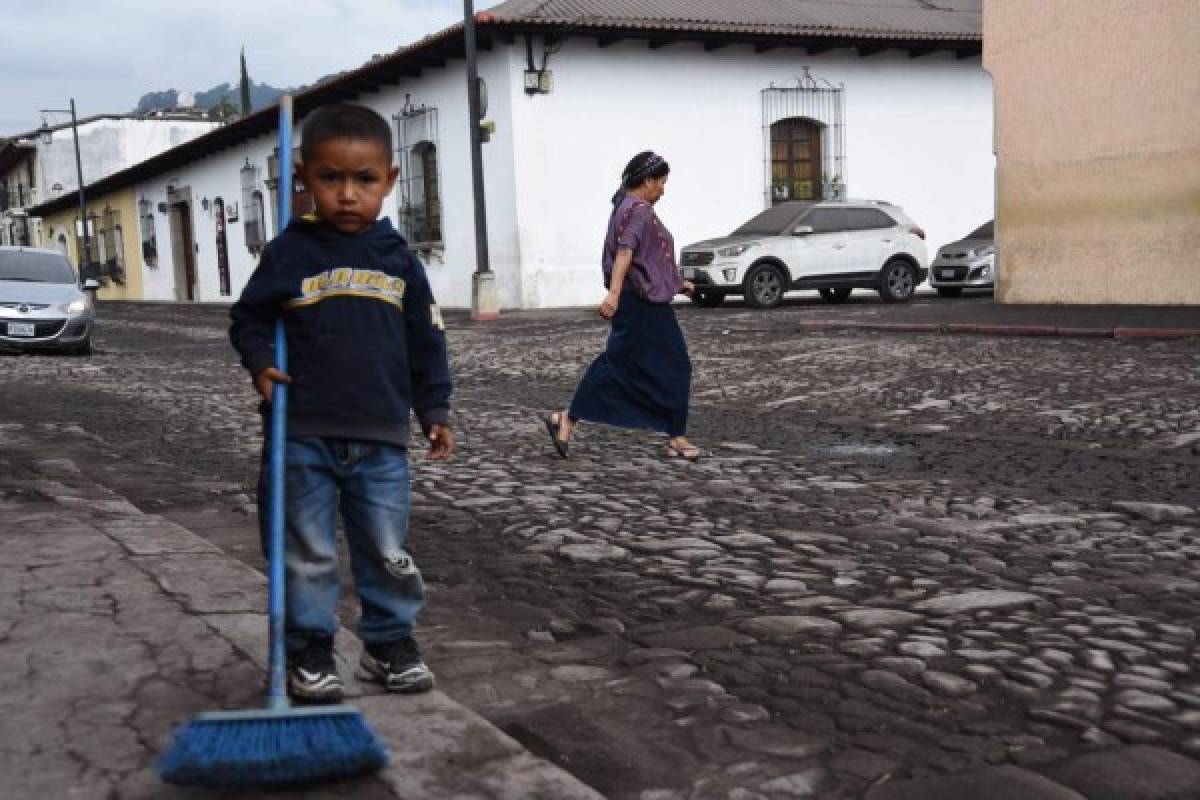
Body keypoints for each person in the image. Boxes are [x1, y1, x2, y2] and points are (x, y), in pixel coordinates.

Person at [229, 103, 454, 703]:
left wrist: (434, 411)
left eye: (365, 180)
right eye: (331, 179)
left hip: (381, 437)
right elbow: (248, 318)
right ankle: (309, 651)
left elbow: (425, 341)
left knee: (387, 550)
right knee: (307, 551)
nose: (348, 194)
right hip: (300, 432)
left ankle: (387, 644)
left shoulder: (400, 260)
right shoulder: (289, 254)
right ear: (304, 178)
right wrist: (259, 363)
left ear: (390, 180)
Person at [544, 151, 701, 461]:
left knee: (619, 365)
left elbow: (643, 258)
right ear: (646, 181)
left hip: (636, 301)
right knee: (675, 365)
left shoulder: (622, 205)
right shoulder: (639, 209)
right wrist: (613, 294)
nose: (663, 189)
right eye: (661, 182)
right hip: (642, 305)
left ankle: (566, 419)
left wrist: (677, 284)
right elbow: (625, 253)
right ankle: (676, 437)